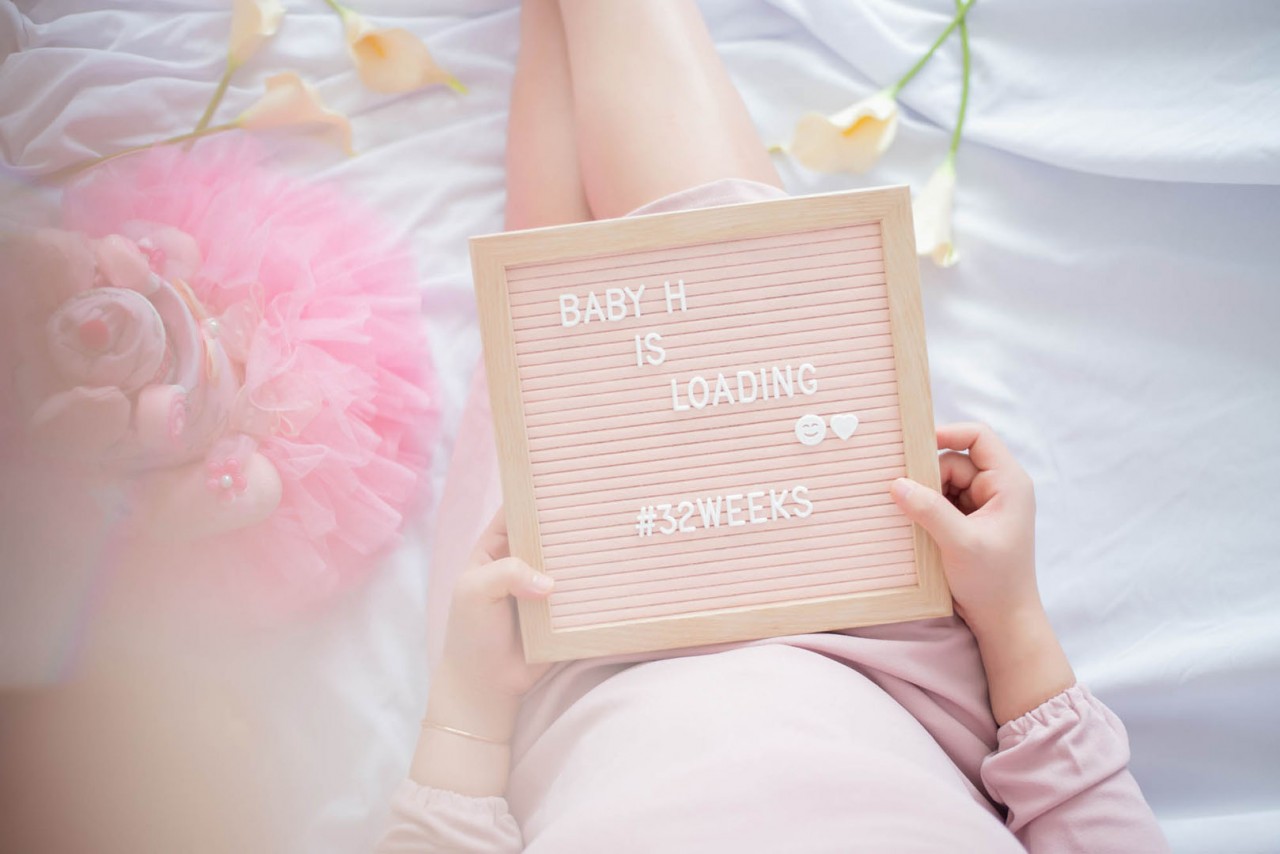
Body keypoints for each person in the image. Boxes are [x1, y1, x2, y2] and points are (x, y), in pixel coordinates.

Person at [377, 1, 1168, 850]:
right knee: (703, 251)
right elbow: (1086, 811)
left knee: (553, 318)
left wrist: (467, 708)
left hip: (552, 668)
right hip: (860, 619)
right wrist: (1011, 614)